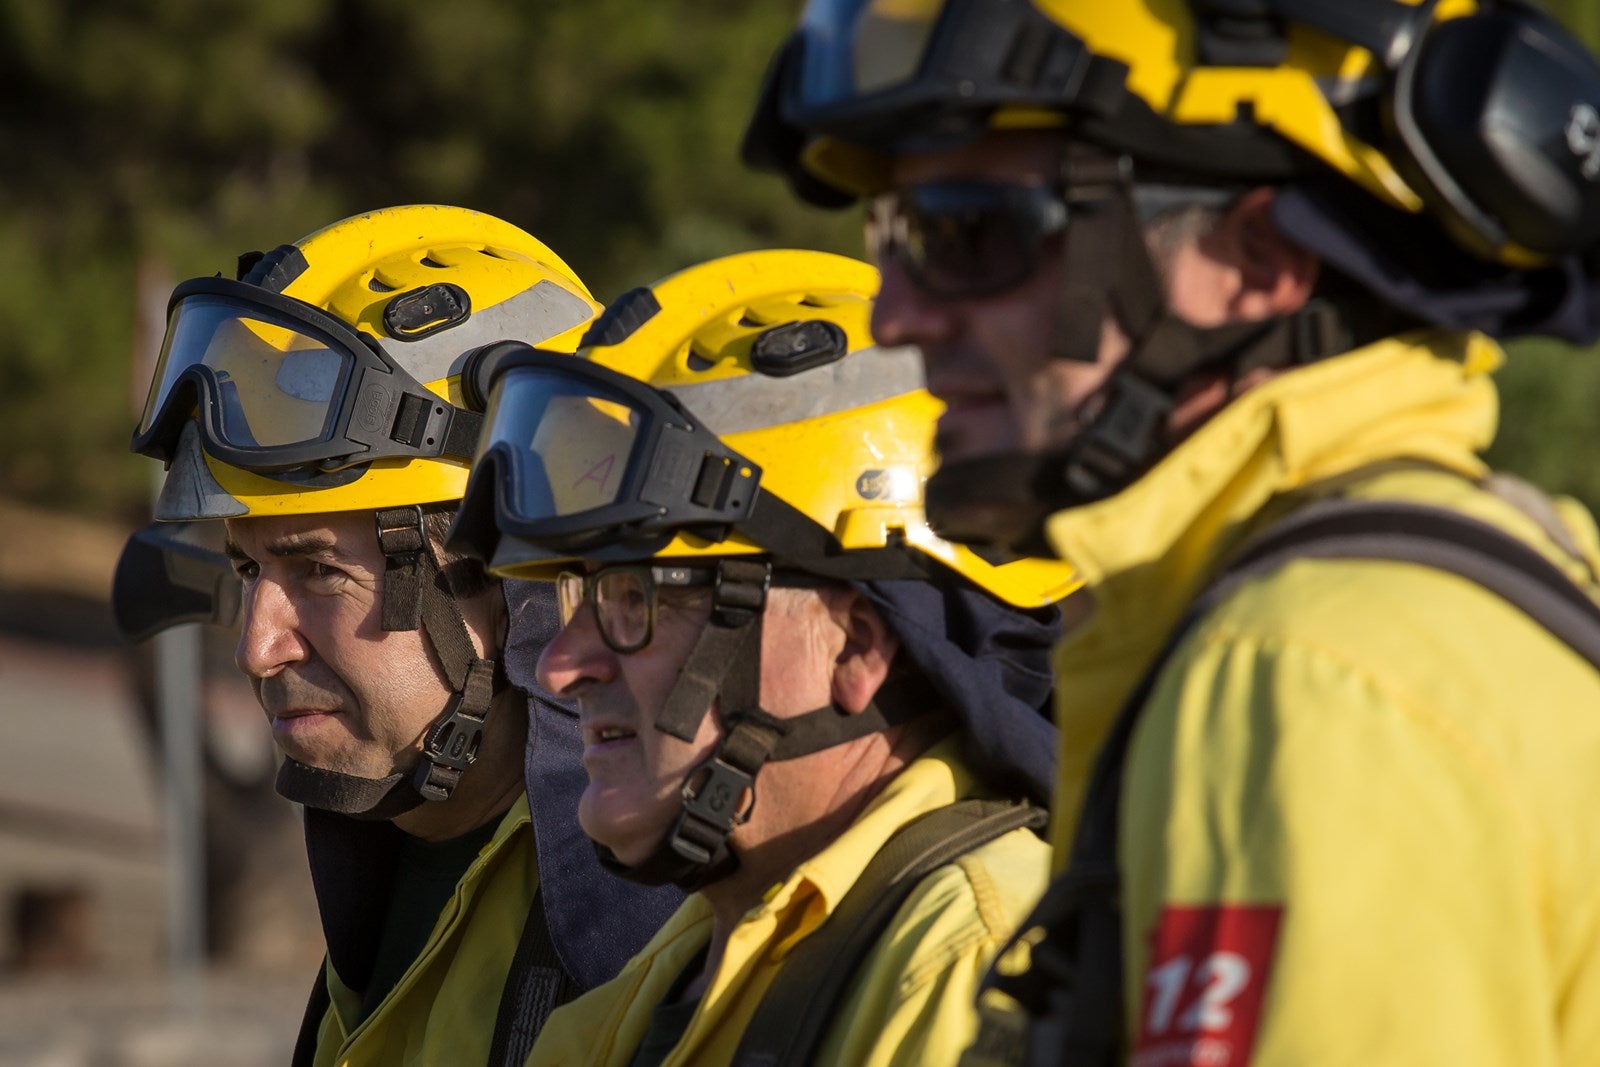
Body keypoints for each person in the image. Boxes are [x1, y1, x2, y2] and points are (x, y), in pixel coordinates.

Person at [744, 2, 1600, 1064]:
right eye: (894, 239)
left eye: (965, 234)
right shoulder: (1431, 593)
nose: (897, 315)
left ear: (1253, 259)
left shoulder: (1308, 675)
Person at [444, 248, 1076, 1066]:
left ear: (855, 647)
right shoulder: (669, 976)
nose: (564, 667)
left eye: (636, 601)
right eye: (577, 595)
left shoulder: (977, 975)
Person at [123, 204, 681, 1067]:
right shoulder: (385, 878)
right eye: (247, 571)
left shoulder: (650, 947)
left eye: (319, 571)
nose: (257, 648)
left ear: (512, 577)